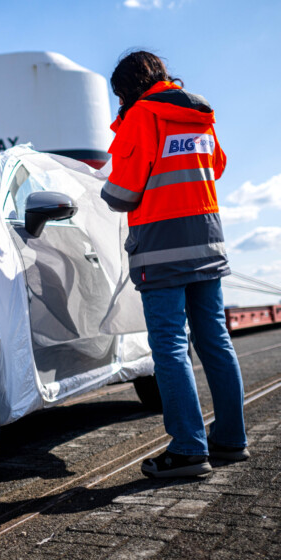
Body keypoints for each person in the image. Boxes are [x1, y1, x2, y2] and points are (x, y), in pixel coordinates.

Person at [100, 51, 248, 478]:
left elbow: (123, 193)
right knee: (215, 340)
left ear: (128, 89)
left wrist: (106, 189)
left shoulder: (142, 116)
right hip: (207, 243)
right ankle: (231, 439)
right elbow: (216, 167)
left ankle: (187, 449)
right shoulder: (198, 113)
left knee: (168, 346)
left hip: (162, 249)